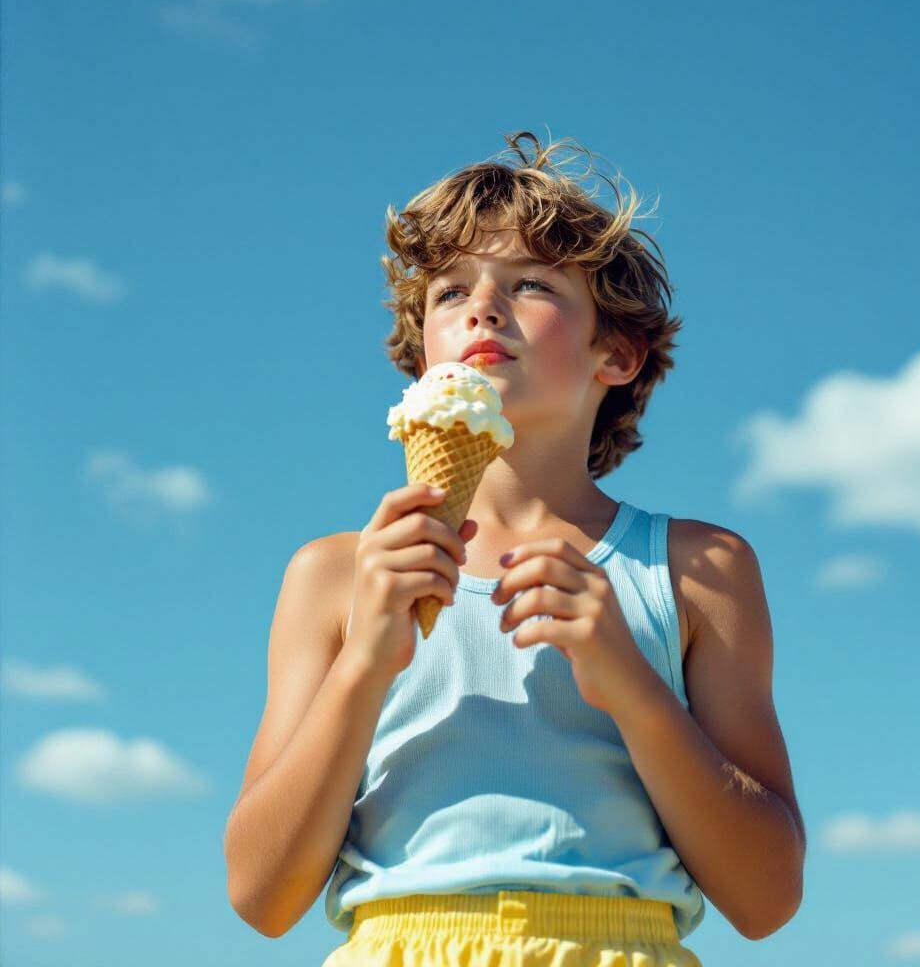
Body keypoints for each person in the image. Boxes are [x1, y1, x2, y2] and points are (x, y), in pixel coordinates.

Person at [224, 131, 807, 965]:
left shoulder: (697, 569)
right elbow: (261, 895)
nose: (482, 308)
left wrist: (634, 689)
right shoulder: (332, 576)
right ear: (419, 355)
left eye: (531, 283)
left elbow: (767, 897)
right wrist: (363, 665)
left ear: (618, 352)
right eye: (450, 291)